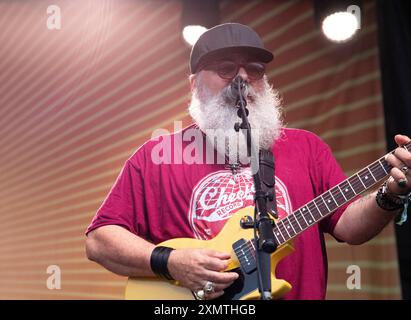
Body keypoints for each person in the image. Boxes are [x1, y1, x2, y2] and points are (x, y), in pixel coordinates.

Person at [85, 23, 411, 300]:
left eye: (254, 70)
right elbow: (100, 240)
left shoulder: (306, 147)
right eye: (226, 68)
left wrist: (391, 196)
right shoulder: (156, 157)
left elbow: (348, 226)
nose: (241, 78)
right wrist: (170, 262)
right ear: (194, 84)